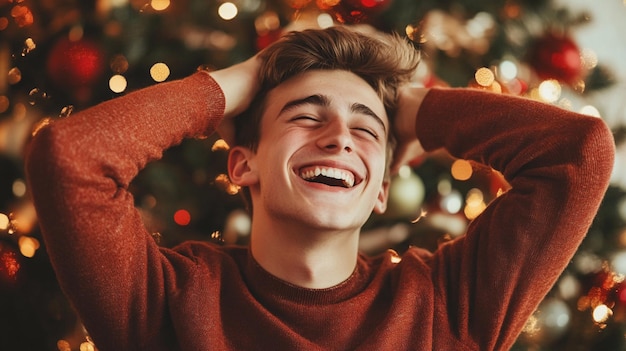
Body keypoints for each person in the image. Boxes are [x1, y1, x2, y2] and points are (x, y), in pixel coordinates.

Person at [25, 26, 614, 351]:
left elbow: (579, 153)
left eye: (365, 130)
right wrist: (243, 80)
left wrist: (414, 108)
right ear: (242, 165)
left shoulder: (446, 307)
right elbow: (68, 157)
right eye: (306, 117)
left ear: (382, 187)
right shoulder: (168, 303)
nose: (339, 138)